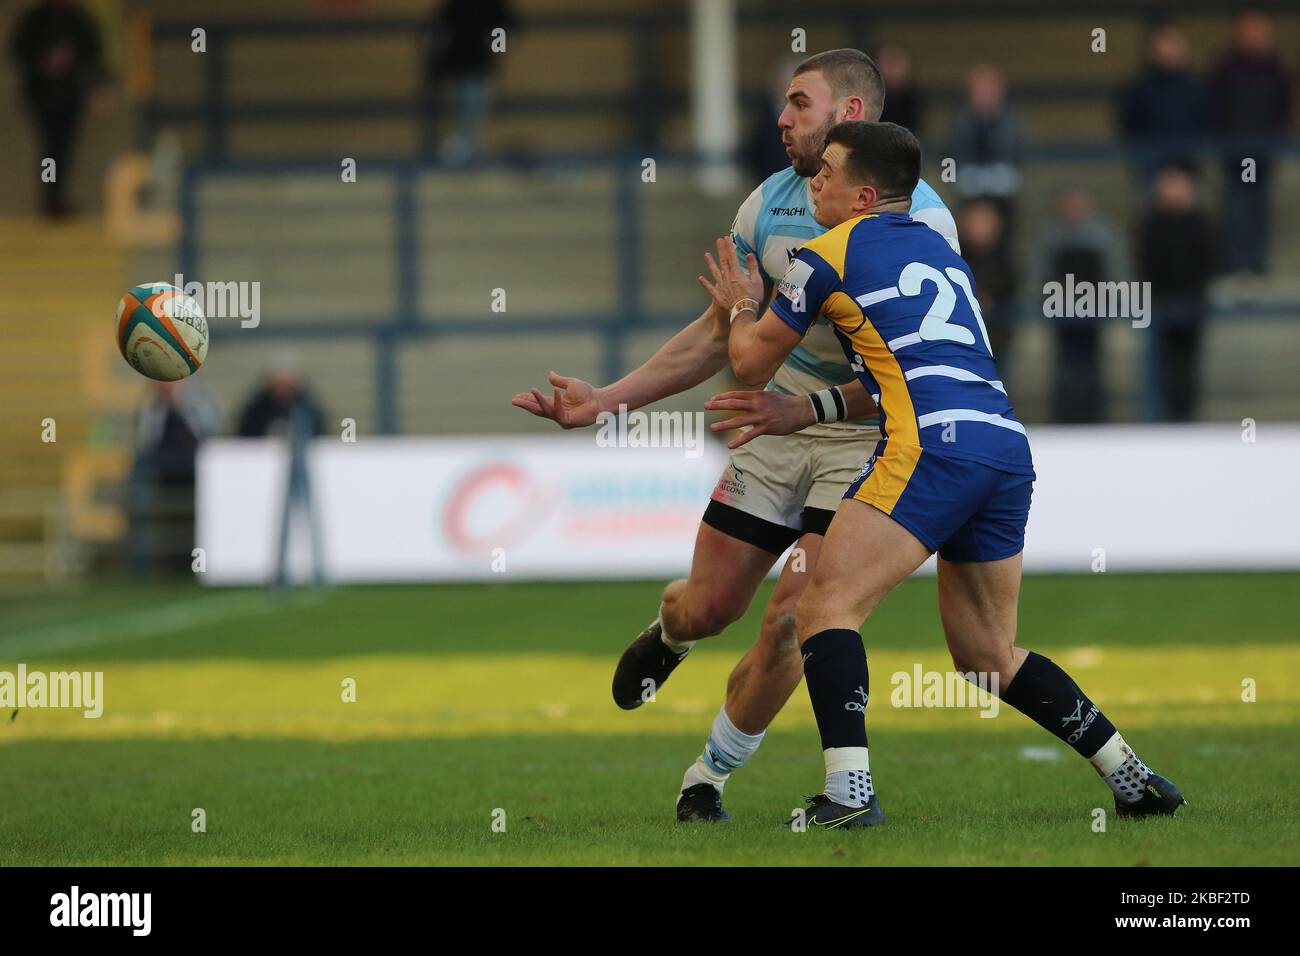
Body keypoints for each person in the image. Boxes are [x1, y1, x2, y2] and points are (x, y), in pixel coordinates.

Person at [512, 49, 959, 823]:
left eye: (798, 103)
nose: (781, 119)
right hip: (772, 431)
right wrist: (606, 402)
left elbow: (923, 371)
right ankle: (670, 632)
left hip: (860, 439)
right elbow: (719, 338)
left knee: (796, 615)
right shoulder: (767, 206)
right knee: (710, 608)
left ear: (849, 116)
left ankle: (706, 778)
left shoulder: (919, 218)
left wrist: (812, 408)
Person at [702, 120, 1185, 827]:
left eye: (827, 173)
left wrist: (741, 301)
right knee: (988, 653)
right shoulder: (941, 251)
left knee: (823, 608)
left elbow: (748, 362)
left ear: (864, 194)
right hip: (1002, 446)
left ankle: (849, 794)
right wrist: (811, 412)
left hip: (931, 446)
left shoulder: (824, 253)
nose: (815, 182)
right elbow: (918, 365)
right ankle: (1131, 775)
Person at [1206, 9, 1292, 274]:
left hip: (1264, 151)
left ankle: (1256, 261)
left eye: (1260, 30)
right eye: (1249, 30)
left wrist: (1277, 137)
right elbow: (1215, 106)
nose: (1255, 36)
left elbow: (1283, 107)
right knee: (1236, 205)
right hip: (1234, 151)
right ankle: (1236, 260)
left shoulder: (1276, 68)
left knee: (1259, 205)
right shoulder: (1225, 68)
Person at [8, 0, 109, 218]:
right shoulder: (36, 19)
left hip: (70, 95)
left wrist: (97, 86)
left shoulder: (79, 18)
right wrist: (43, 61)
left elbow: (94, 53)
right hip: (42, 95)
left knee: (63, 148)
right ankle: (50, 199)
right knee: (51, 148)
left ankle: (56, 197)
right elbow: (17, 50)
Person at [1036, 187, 1123, 424]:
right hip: (1062, 313)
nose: (1075, 210)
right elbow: (1043, 276)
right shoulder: (1052, 236)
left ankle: (1094, 417)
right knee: (1065, 369)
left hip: (1094, 313)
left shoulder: (1103, 235)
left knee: (1092, 367)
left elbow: (1114, 273)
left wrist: (1109, 304)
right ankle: (1065, 418)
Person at [1139, 165, 1216, 421]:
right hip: (1160, 303)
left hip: (1192, 302)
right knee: (1161, 365)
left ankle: (1188, 415)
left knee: (1188, 364)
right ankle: (1161, 416)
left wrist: (1195, 295)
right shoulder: (1152, 224)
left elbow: (1209, 261)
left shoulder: (1200, 222)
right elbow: (1146, 262)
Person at [421, 0, 516, 166]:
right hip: (456, 68)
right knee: (457, 114)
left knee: (472, 114)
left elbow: (507, 26)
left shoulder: (493, 5)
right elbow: (439, 29)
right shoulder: (457, 4)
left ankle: (469, 153)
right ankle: (457, 154)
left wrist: (497, 47)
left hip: (477, 68)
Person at [1119, 20, 1207, 185]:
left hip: (1188, 164)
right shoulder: (1138, 87)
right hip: (1150, 165)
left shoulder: (1195, 86)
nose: (1167, 50)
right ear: (1152, 48)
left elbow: (1204, 122)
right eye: (1163, 43)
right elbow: (1128, 124)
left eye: (1173, 43)